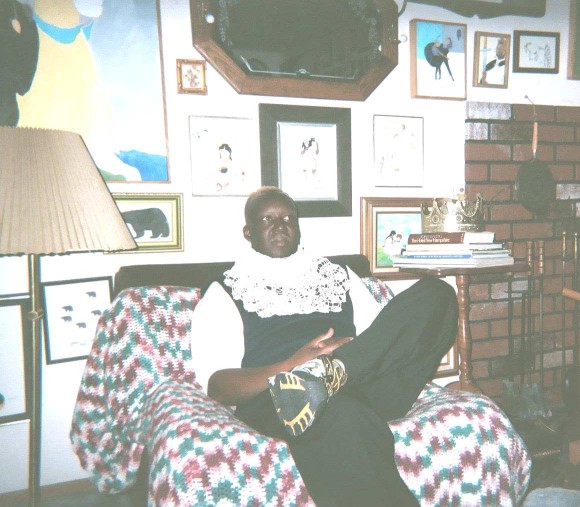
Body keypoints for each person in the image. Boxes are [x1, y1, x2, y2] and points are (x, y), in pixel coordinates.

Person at [190, 186, 458, 507]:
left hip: (361, 382)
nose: (280, 226)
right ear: (248, 232)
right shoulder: (226, 290)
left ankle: (333, 373)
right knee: (341, 414)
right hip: (281, 402)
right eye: (267, 219)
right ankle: (315, 383)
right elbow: (219, 387)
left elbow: (382, 339)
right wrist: (295, 363)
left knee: (438, 292)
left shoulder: (339, 275)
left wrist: (345, 360)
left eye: (288, 218)